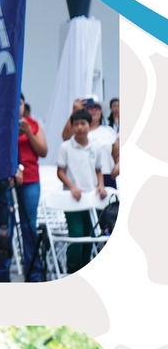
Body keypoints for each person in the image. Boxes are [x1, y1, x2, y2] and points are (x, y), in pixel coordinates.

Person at [57, 109, 107, 273]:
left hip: (91, 199)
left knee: (90, 236)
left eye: (83, 124)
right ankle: (72, 269)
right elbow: (60, 171)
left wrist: (101, 186)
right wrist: (72, 187)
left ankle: (84, 269)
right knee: (77, 235)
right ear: (71, 127)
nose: (79, 127)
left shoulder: (96, 147)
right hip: (72, 199)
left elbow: (98, 170)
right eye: (76, 124)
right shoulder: (65, 147)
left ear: (89, 125)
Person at [15, 97, 47, 281]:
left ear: (24, 105)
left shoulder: (33, 124)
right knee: (8, 227)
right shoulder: (5, 124)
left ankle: (33, 272)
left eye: (19, 103)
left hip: (31, 179)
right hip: (10, 180)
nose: (17, 107)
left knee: (29, 226)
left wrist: (29, 134)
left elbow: (43, 151)